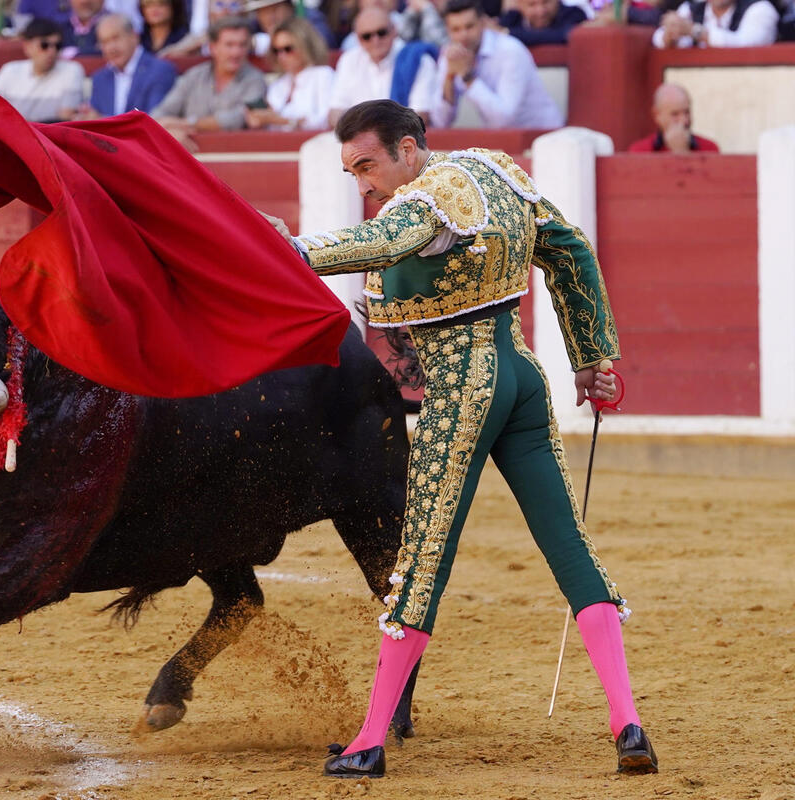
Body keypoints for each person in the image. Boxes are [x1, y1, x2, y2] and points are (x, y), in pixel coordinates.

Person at [266, 99, 657, 779]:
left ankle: (369, 740)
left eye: (369, 165)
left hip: (464, 386)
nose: (363, 183)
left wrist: (289, 249)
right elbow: (567, 250)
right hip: (522, 377)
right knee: (570, 548)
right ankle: (628, 723)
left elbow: (382, 243)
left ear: (409, 149)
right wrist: (592, 357)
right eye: (352, 170)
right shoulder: (496, 171)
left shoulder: (428, 197)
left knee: (420, 562)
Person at [429, 0, 563, 129]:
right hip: (506, 141)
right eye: (456, 29)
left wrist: (467, 78)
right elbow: (440, 122)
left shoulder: (510, 50)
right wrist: (449, 78)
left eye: (469, 26)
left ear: (482, 23)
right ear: (447, 30)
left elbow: (504, 120)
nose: (464, 35)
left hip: (545, 136)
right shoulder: (451, 54)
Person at [151, 15, 267, 146]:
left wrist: (187, 124)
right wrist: (169, 132)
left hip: (233, 154)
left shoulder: (255, 79)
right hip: (192, 156)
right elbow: (160, 114)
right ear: (213, 48)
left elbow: (241, 118)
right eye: (229, 45)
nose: (236, 52)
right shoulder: (194, 76)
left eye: (242, 45)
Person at [327, 7, 437, 127]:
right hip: (359, 138)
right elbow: (335, 113)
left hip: (402, 139)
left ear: (394, 30)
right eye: (367, 36)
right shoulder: (349, 60)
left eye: (381, 33)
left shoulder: (417, 59)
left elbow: (420, 116)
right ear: (358, 39)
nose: (375, 40)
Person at [0, 17, 85, 121]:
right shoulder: (9, 70)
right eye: (44, 45)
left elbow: (65, 118)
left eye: (57, 46)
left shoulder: (72, 70)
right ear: (27, 46)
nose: (52, 51)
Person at [247, 16, 334, 130]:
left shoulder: (323, 75)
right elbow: (270, 126)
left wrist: (280, 120)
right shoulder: (278, 84)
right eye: (276, 50)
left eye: (288, 49)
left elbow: (326, 121)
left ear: (305, 46)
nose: (281, 56)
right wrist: (258, 119)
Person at [87, 13, 177, 115]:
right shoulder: (99, 78)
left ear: (134, 36)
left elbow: (154, 120)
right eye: (105, 42)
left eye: (115, 38)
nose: (111, 48)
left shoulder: (160, 70)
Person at [627, 82, 720, 152]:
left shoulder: (709, 148)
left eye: (687, 112)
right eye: (675, 114)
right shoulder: (640, 151)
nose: (684, 120)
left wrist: (683, 152)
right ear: (656, 115)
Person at [652, 0, 778, 46]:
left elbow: (746, 43)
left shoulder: (760, 8)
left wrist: (695, 31)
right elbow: (658, 38)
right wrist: (669, 36)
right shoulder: (691, 8)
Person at [244, 0, 337, 54]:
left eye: (274, 10)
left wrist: (267, 42)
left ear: (290, 7)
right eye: (263, 12)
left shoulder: (310, 18)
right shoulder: (254, 25)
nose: (270, 17)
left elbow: (321, 44)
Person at [497, 0, 588, 45]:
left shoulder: (573, 14)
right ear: (519, 5)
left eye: (546, 2)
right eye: (532, 4)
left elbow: (565, 35)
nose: (541, 11)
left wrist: (508, 33)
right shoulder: (512, 18)